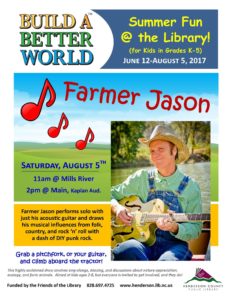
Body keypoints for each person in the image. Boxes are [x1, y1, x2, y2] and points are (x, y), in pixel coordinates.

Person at [111, 125, 202, 261]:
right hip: (140, 242)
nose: (155, 155)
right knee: (125, 250)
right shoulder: (140, 178)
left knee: (168, 261)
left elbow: (196, 228)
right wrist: (117, 208)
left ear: (174, 151)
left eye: (161, 149)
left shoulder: (191, 186)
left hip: (174, 246)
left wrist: (175, 227)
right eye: (152, 150)